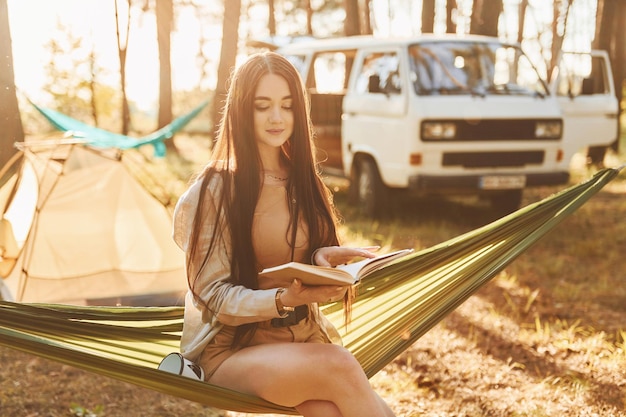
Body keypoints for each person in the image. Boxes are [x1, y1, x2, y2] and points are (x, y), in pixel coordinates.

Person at [172, 51, 397, 417]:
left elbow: (300, 259)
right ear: (243, 110)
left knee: (331, 411)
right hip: (232, 351)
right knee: (341, 367)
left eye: (287, 105)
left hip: (302, 339)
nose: (277, 117)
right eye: (263, 106)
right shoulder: (214, 191)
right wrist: (281, 299)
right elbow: (211, 294)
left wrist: (322, 261)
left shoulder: (305, 182)